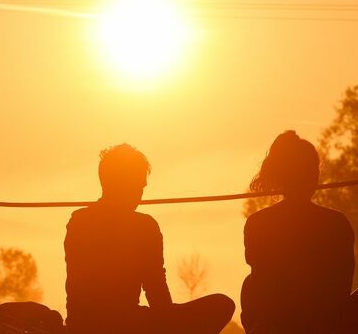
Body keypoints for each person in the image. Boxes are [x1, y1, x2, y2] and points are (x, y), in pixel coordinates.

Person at [65, 143, 235, 334]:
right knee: (222, 305)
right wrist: (171, 322)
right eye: (139, 184)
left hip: (82, 325)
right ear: (127, 184)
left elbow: (76, 292)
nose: (142, 192)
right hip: (127, 325)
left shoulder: (78, 222)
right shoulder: (143, 226)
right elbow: (156, 291)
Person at [241, 131, 358, 334]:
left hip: (288, 323)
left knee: (249, 286)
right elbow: (342, 286)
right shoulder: (336, 222)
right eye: (312, 170)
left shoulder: (257, 222)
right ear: (313, 176)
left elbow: (261, 283)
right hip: (322, 323)